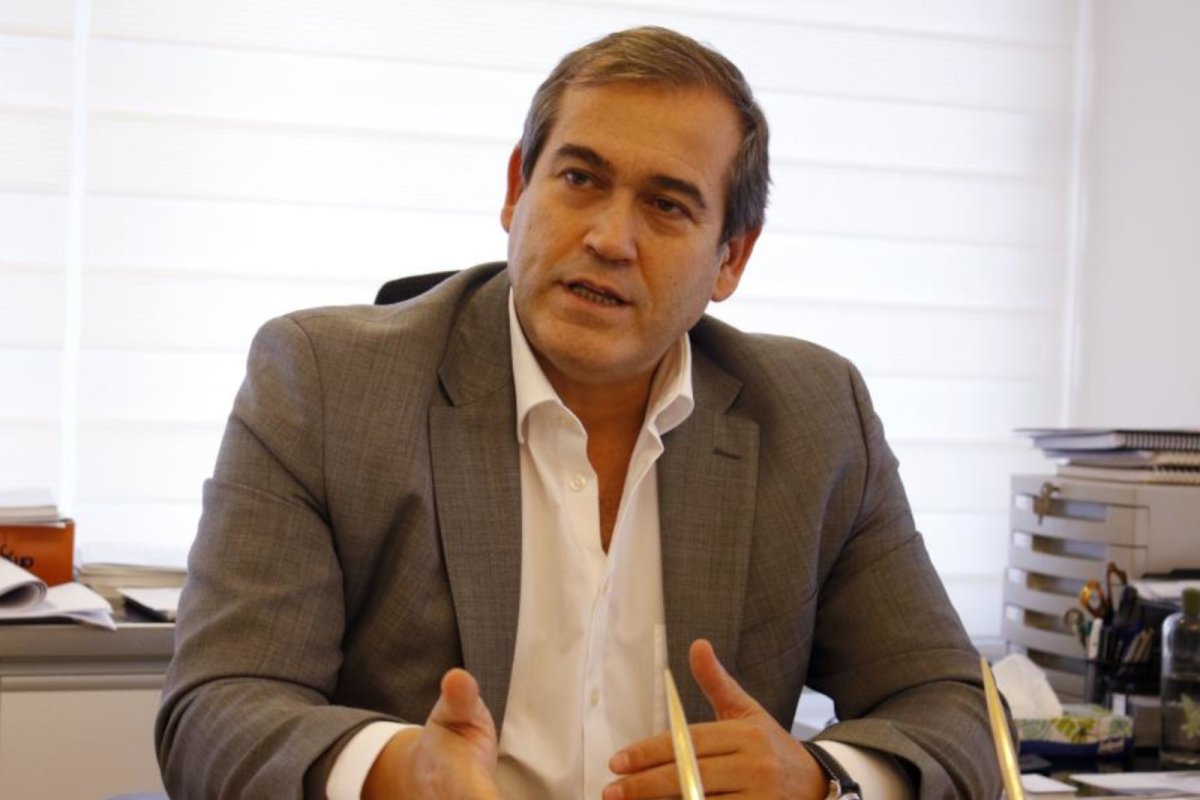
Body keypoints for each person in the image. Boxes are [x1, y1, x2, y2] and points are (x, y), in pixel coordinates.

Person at [156, 26, 1001, 800]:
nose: (608, 238)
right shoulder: (327, 382)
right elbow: (219, 709)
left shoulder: (815, 419)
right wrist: (397, 771)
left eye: (667, 205)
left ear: (730, 259)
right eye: (580, 179)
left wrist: (819, 779)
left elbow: (952, 708)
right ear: (516, 190)